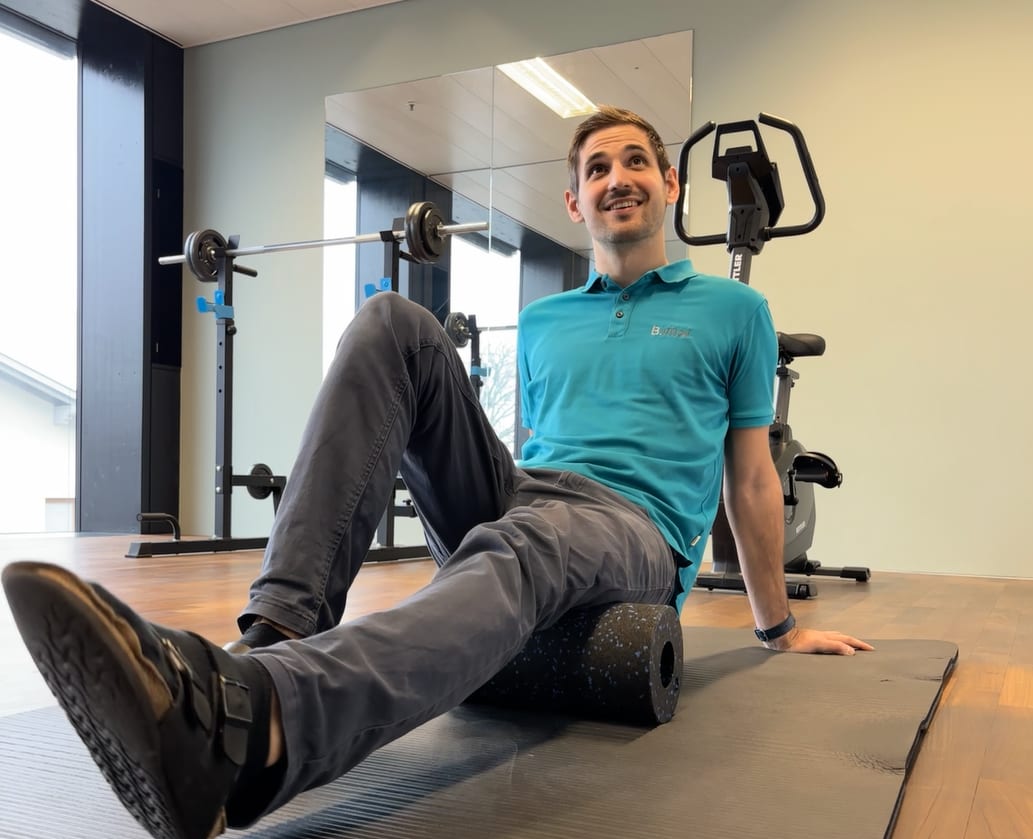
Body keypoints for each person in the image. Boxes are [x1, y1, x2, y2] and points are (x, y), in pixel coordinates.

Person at [2, 105, 872, 839]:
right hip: (534, 496)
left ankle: (252, 725)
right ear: (575, 199)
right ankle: (277, 635)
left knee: (534, 537)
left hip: (633, 531)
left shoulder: (736, 309)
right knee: (392, 321)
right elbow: (535, 450)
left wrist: (774, 627)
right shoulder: (543, 320)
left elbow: (751, 478)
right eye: (598, 166)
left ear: (668, 185)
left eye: (636, 161)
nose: (619, 177)